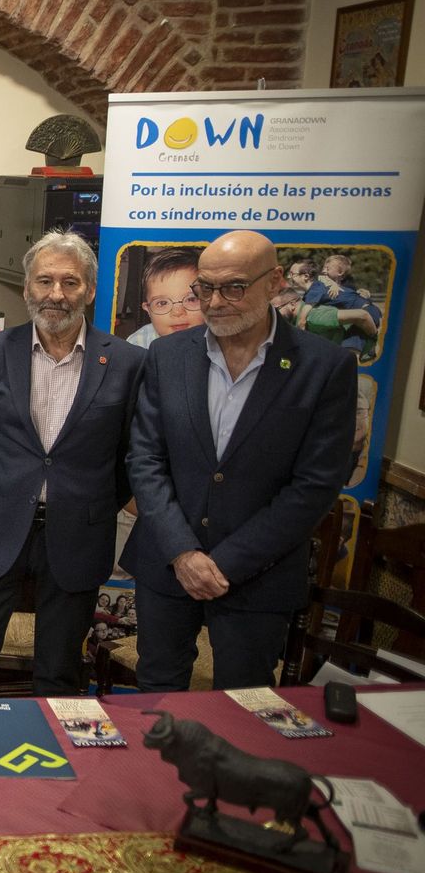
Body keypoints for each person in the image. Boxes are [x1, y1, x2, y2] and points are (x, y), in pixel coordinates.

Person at [123, 230, 356, 691]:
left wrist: (226, 562)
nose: (214, 301)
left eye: (233, 287)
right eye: (204, 288)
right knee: (156, 694)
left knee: (243, 708)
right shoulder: (168, 355)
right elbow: (146, 457)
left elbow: (314, 486)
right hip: (169, 564)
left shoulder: (323, 368)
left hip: (258, 575)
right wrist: (183, 552)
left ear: (273, 283)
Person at [0, 231, 145, 698]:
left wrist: (83, 497)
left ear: (90, 290)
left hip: (79, 530)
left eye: (70, 282)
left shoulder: (128, 362)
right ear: (27, 287)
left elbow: (127, 457)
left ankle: (53, 766)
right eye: (45, 281)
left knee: (58, 671)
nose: (56, 294)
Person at [125, 247, 204, 348]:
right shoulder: (138, 344)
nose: (177, 312)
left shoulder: (219, 345)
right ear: (148, 310)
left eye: (191, 299)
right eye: (162, 303)